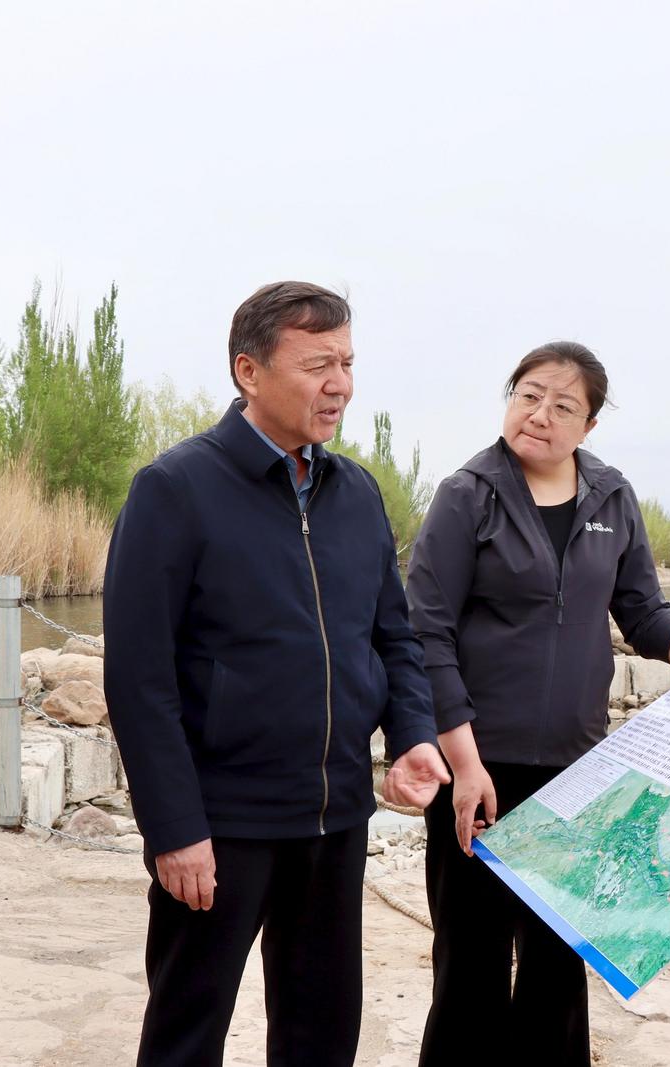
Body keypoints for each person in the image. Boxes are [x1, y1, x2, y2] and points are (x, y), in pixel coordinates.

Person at [103, 280, 450, 1067]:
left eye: (348, 363)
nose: (340, 384)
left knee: (322, 1036)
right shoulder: (174, 490)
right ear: (248, 371)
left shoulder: (357, 493)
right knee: (186, 1036)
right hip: (222, 825)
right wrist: (174, 827)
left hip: (335, 818)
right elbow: (139, 679)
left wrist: (413, 733)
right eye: (318, 364)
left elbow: (394, 635)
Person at [405, 341, 670, 1066]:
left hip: (580, 773)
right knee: (471, 961)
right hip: (480, 767)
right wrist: (463, 764)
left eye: (563, 406)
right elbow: (426, 633)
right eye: (528, 395)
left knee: (558, 963)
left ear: (589, 425)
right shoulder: (468, 494)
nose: (539, 414)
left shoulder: (610, 496)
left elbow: (644, 614)